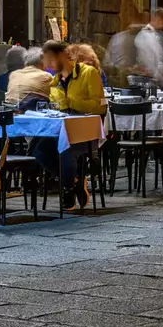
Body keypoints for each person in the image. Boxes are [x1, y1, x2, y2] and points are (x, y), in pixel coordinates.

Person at [37, 40, 104, 210]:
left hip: (85, 131)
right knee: (38, 150)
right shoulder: (54, 81)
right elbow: (55, 106)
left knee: (65, 150)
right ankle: (75, 180)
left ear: (61, 56)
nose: (48, 64)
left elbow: (99, 105)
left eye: (50, 59)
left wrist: (71, 102)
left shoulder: (88, 73)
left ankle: (67, 189)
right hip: (61, 129)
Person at [134, 8, 163, 90]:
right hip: (146, 83)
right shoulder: (146, 35)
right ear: (158, 19)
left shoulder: (153, 35)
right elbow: (151, 66)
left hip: (153, 81)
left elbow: (157, 60)